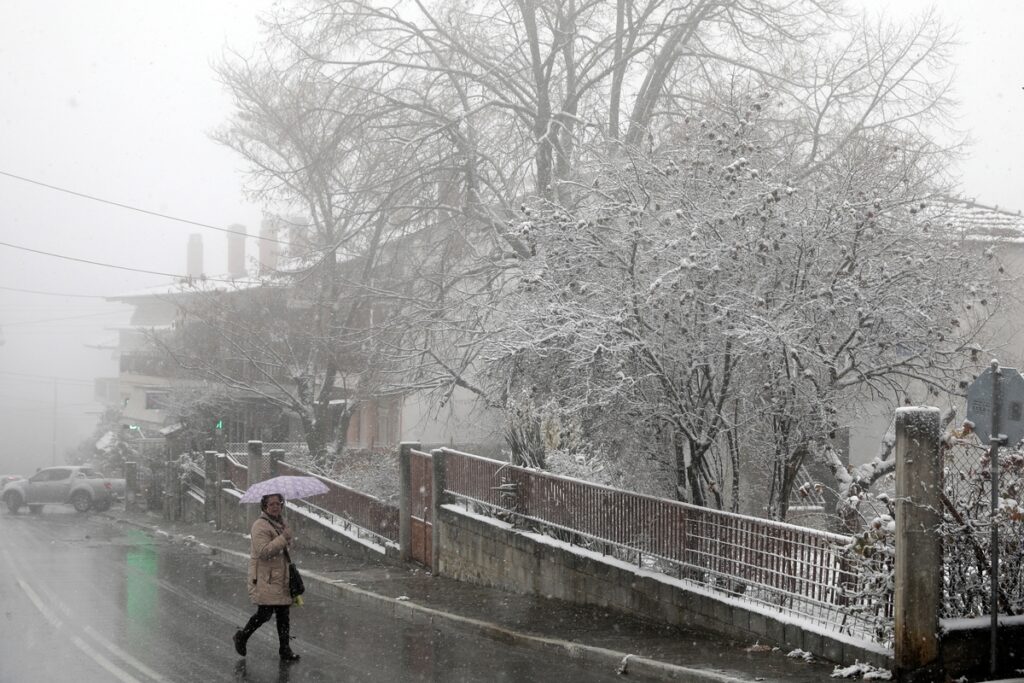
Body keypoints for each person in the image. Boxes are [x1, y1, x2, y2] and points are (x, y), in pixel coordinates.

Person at [232, 493, 300, 662]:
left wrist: (287, 538)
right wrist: (284, 538)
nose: (276, 506)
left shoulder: (280, 523)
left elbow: (283, 548)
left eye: (278, 503)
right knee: (264, 614)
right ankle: (242, 636)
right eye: (271, 504)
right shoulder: (260, 525)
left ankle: (285, 649)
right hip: (266, 577)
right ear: (264, 507)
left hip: (281, 576)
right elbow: (264, 552)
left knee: (284, 615)